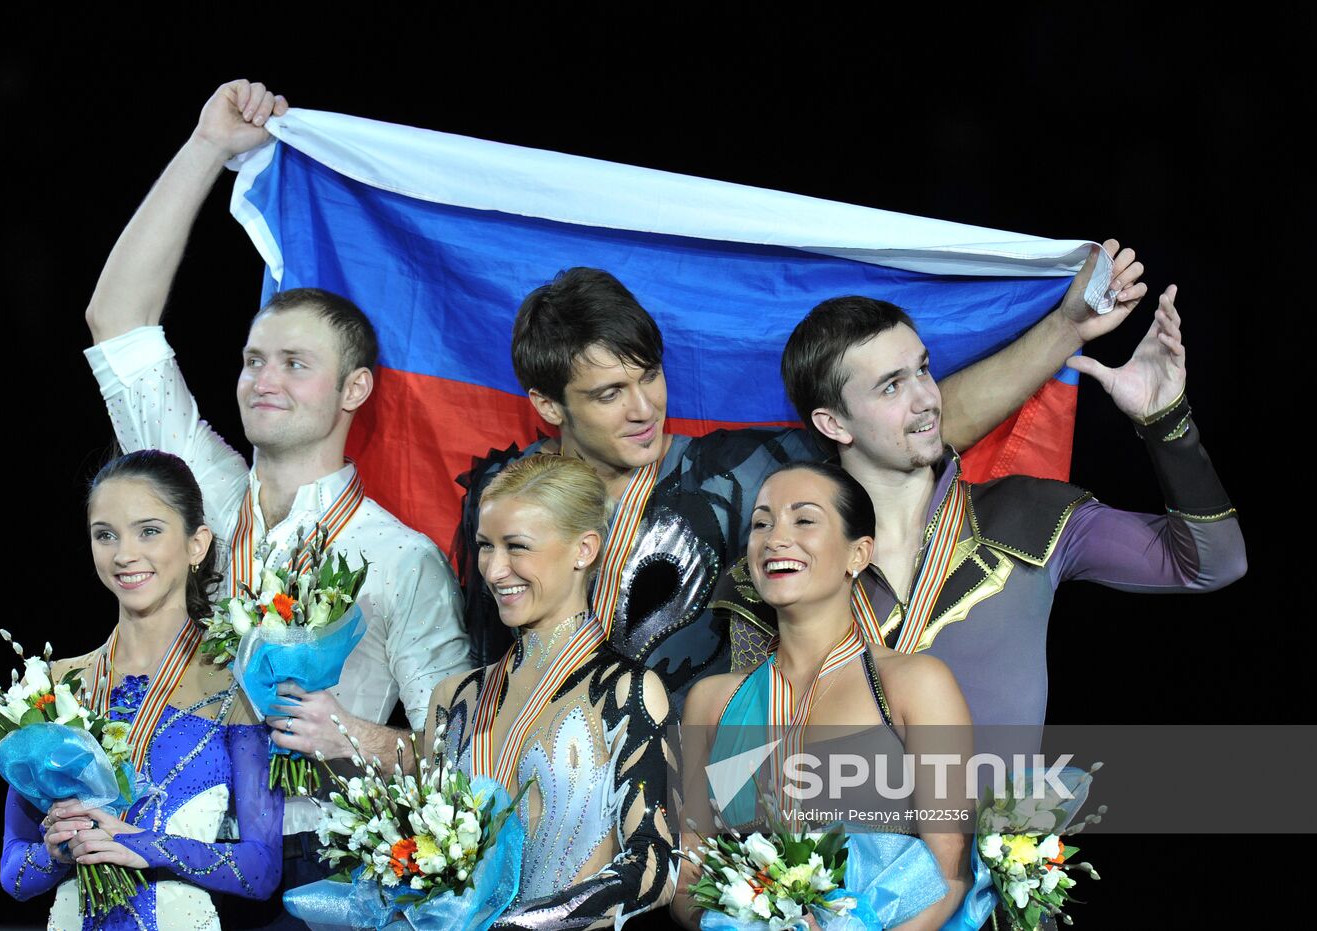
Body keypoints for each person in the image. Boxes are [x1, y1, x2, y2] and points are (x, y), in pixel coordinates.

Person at [81, 79, 470, 896]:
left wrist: (359, 734)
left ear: (354, 390)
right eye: (255, 360)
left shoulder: (401, 558)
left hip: (314, 871)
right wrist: (206, 148)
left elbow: (460, 749)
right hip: (163, 839)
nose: (264, 379)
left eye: (296, 364)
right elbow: (117, 319)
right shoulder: (199, 491)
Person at [459, 251, 1147, 704]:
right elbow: (482, 668)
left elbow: (916, 424)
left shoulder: (742, 471)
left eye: (651, 377)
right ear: (550, 405)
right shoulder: (503, 500)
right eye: (610, 394)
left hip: (695, 812)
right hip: (543, 799)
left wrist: (1065, 329)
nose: (645, 409)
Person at [765, 285, 1246, 730]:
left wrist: (1166, 423)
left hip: (1006, 826)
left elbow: (1212, 564)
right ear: (833, 424)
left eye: (923, 370)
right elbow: (741, 772)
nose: (927, 399)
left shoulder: (1027, 513)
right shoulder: (782, 565)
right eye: (891, 386)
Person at [676, 462, 976, 930]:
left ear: (858, 554)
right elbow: (688, 881)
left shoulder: (914, 684)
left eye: (804, 519)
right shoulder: (712, 702)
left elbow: (950, 872)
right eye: (761, 523)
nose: (775, 538)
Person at [1, 450, 284, 929]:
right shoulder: (55, 687)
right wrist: (57, 852)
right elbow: (13, 874)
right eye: (105, 535)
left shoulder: (241, 683)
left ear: (197, 545)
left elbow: (261, 870)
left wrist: (137, 843)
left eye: (148, 531)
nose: (124, 554)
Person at [426, 455, 674, 928]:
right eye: (484, 546)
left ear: (584, 549)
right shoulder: (453, 698)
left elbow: (655, 866)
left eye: (517, 547)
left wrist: (526, 925)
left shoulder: (627, 691)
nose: (495, 570)